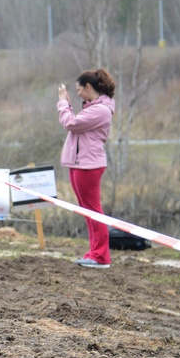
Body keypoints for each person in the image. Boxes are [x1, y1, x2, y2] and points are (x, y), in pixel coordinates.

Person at [57, 68, 116, 269]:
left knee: (94, 211)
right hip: (80, 163)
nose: (78, 93)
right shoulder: (93, 107)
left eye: (79, 89)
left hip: (89, 166)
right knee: (88, 211)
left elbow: (71, 123)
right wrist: (68, 104)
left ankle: (101, 257)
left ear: (88, 87)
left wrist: (63, 103)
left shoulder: (100, 110)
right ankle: (94, 252)